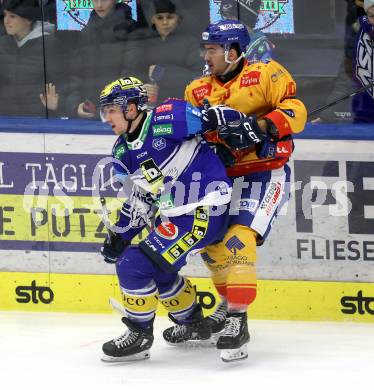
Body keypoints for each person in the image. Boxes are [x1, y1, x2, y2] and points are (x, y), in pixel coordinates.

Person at [162, 19, 307, 362]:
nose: (207, 55)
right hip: (219, 177)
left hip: (263, 173)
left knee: (238, 239)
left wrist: (259, 127)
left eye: (212, 49)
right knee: (212, 246)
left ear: (232, 50)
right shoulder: (196, 89)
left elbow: (296, 110)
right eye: (206, 49)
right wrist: (217, 148)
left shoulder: (265, 73)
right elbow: (192, 137)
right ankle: (229, 307)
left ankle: (238, 321)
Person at [98, 76, 235, 362]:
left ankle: (138, 334)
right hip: (178, 214)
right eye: (105, 110)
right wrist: (121, 235)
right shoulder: (122, 152)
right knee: (157, 270)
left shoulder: (168, 116)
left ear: (132, 108)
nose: (106, 116)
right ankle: (194, 324)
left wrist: (233, 140)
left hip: (205, 209)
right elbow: (143, 197)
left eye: (111, 109)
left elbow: (223, 117)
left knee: (134, 263)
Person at [65, 0, 138, 119]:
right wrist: (75, 106)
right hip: (89, 111)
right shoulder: (85, 32)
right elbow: (76, 74)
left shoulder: (130, 29)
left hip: (119, 114)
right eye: (95, 0)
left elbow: (130, 72)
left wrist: (109, 108)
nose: (99, 5)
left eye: (104, 0)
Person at [127, 0, 203, 105]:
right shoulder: (142, 42)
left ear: (178, 18)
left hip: (181, 103)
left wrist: (163, 73)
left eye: (170, 17)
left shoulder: (190, 42)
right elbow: (129, 72)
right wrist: (141, 87)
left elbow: (199, 76)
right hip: (148, 105)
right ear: (152, 19)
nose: (165, 22)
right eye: (159, 17)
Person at [0, 0, 66, 117]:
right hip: (5, 119)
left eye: (12, 16)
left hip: (39, 119)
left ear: (28, 19)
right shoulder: (2, 44)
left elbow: (63, 82)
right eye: (5, 15)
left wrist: (58, 105)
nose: (6, 21)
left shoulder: (50, 45)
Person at [351, 0, 374, 122]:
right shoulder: (359, 31)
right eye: (371, 16)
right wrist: (327, 116)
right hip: (362, 113)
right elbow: (345, 76)